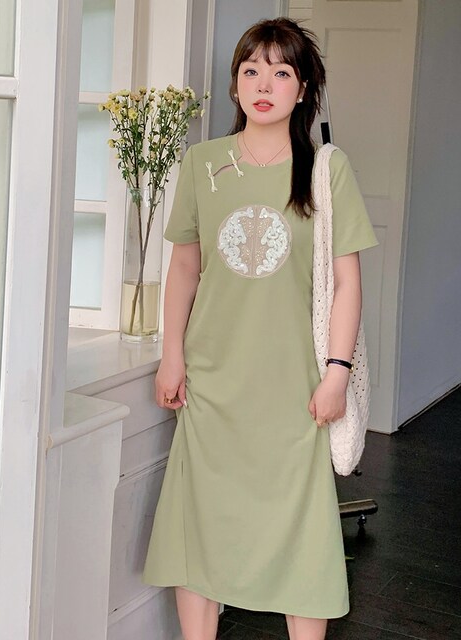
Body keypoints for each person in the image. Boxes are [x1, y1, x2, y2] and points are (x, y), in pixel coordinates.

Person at [143, 17, 378, 640]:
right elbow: (184, 268)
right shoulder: (203, 163)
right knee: (200, 528)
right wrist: (173, 356)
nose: (264, 85)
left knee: (302, 534)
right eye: (251, 71)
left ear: (303, 90)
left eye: (281, 72)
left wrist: (337, 373)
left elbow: (347, 282)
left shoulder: (325, 171)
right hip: (213, 384)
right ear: (235, 84)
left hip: (294, 389)